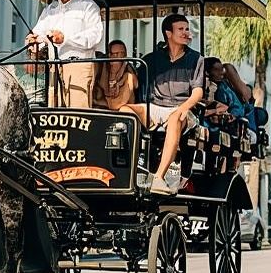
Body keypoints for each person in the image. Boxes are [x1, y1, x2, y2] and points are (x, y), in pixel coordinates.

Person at [119, 14, 205, 196]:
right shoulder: (151, 59)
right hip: (155, 108)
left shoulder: (196, 59)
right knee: (124, 111)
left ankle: (158, 177)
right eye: (181, 29)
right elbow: (136, 79)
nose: (186, 32)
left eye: (187, 29)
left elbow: (198, 92)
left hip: (182, 109)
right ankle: (129, 170)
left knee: (175, 118)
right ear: (168, 33)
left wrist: (183, 108)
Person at [26, 0, 103, 107]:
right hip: (54, 68)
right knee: (54, 112)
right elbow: (38, 34)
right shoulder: (50, 10)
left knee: (77, 115)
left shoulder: (88, 6)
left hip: (78, 67)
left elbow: (95, 36)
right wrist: (33, 42)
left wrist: (65, 39)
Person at [203, 56, 253, 128]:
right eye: (216, 70)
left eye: (221, 70)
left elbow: (237, 107)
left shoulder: (225, 86)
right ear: (207, 72)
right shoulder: (209, 87)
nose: (221, 73)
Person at [93, 39, 137, 109]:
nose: (118, 57)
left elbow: (136, 84)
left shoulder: (128, 68)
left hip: (122, 109)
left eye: (121, 54)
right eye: (114, 54)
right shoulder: (101, 67)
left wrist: (120, 82)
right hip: (101, 106)